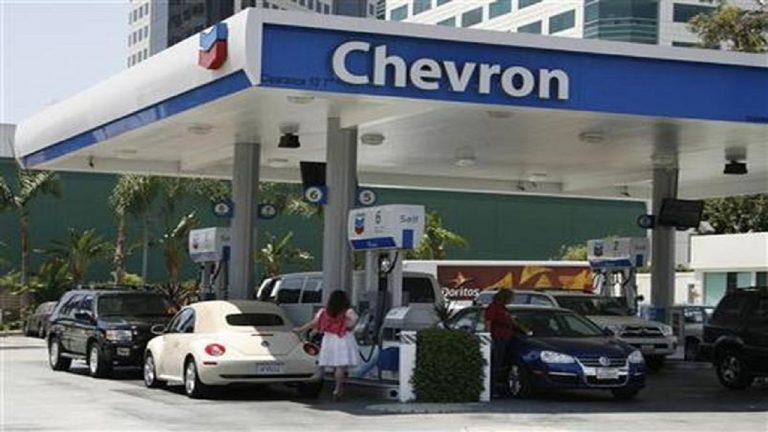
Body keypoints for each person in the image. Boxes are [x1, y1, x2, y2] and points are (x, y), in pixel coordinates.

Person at [294, 290, 360, 400]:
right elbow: (355, 320)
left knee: (334, 364)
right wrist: (348, 325)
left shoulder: (324, 312)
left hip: (329, 339)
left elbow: (314, 323)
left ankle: (336, 386)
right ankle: (338, 388)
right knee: (340, 366)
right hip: (343, 338)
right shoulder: (348, 311)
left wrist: (300, 329)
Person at [484, 289, 514, 397]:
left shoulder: (503, 308)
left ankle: (496, 388)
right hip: (498, 338)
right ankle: (491, 389)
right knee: (495, 364)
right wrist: (489, 337)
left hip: (505, 338)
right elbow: (488, 322)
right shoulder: (493, 308)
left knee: (499, 364)